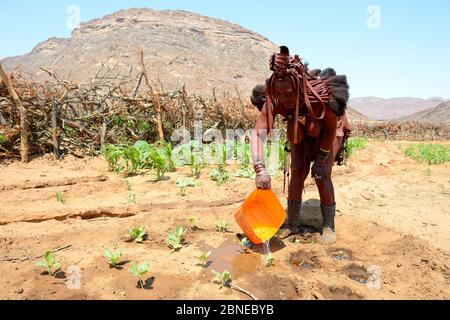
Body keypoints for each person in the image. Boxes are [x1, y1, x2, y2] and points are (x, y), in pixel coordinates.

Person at [250, 46, 351, 244]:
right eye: (280, 94)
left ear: (298, 88)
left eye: (289, 94)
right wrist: (259, 169)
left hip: (324, 137)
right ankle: (292, 224)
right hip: (300, 134)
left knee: (322, 176)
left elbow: (330, 129)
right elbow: (258, 132)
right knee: (297, 172)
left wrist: (322, 160)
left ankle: (328, 225)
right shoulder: (276, 99)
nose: (284, 100)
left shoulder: (322, 100)